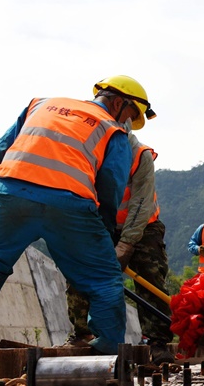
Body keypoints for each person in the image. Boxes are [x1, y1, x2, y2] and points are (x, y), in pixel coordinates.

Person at [0, 76, 151, 354]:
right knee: (103, 277)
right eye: (130, 114)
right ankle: (108, 351)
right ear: (117, 102)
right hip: (71, 205)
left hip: (12, 192)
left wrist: (4, 189)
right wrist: (105, 231)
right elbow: (111, 184)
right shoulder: (113, 131)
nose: (128, 122)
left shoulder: (40, 105)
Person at [66, 130, 172, 354]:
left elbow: (140, 205)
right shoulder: (85, 150)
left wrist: (125, 244)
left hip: (144, 226)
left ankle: (157, 341)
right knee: (80, 271)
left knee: (150, 278)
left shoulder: (139, 155)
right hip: (101, 223)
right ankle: (83, 334)